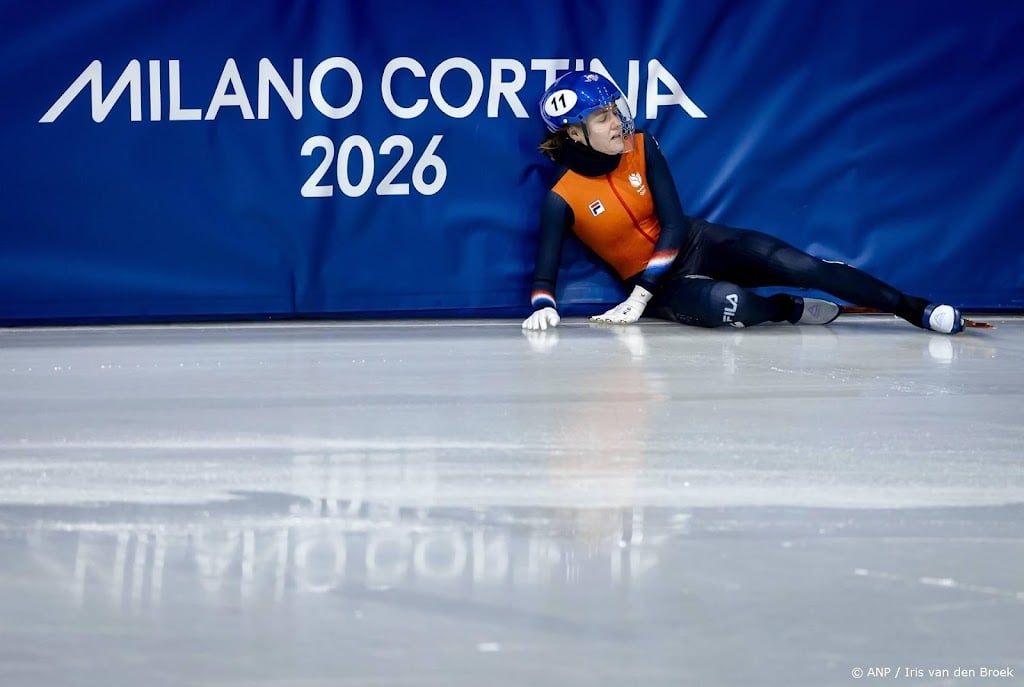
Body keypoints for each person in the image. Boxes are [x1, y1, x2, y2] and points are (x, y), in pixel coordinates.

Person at [521, 71, 967, 335]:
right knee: (731, 303)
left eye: (615, 111)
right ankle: (786, 309)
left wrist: (639, 296)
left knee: (802, 266)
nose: (617, 122)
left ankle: (915, 308)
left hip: (692, 243)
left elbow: (673, 225)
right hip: (658, 286)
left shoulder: (643, 145)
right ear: (574, 133)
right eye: (602, 118)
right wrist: (544, 306)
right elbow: (544, 275)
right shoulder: (562, 198)